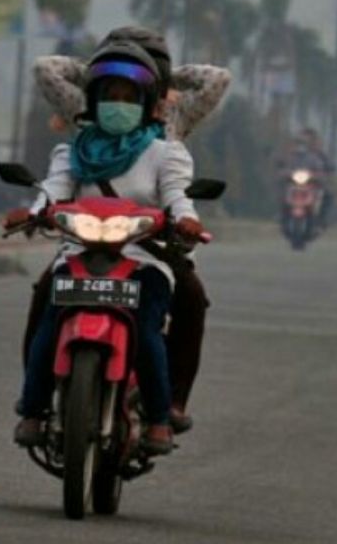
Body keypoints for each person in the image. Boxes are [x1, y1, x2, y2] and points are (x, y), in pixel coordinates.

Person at [10, 40, 208, 456]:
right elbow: (52, 190)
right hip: (79, 254)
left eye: (128, 97)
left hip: (143, 259)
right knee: (48, 317)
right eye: (109, 96)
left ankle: (158, 418)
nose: (119, 105)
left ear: (147, 102)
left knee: (149, 329)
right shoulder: (72, 150)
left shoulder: (166, 152)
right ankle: (32, 408)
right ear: (94, 101)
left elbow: (177, 195)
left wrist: (186, 219)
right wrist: (32, 213)